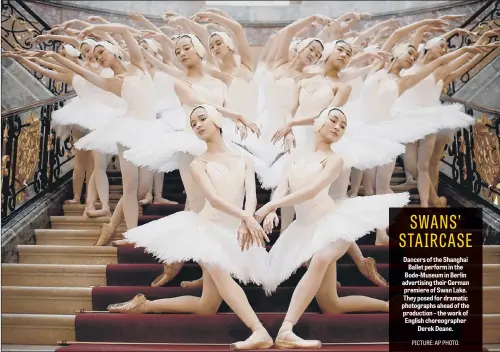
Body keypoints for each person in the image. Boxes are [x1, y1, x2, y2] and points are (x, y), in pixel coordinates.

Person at [107, 105, 273, 351]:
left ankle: (145, 305)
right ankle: (260, 331)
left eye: (202, 119)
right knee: (218, 270)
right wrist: (246, 219)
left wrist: (246, 218)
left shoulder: (244, 159)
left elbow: (251, 196)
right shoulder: (198, 164)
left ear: (217, 120)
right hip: (205, 229)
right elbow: (215, 200)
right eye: (193, 123)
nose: (197, 125)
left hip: (233, 228)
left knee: (207, 306)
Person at [249, 107, 409, 348]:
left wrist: (270, 206)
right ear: (318, 124)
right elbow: (284, 186)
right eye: (333, 121)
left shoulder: (335, 159)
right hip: (304, 227)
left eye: (343, 125)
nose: (337, 127)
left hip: (334, 222)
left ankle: (286, 329)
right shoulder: (293, 156)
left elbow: (311, 190)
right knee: (331, 304)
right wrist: (271, 209)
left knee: (321, 259)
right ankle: (388, 305)